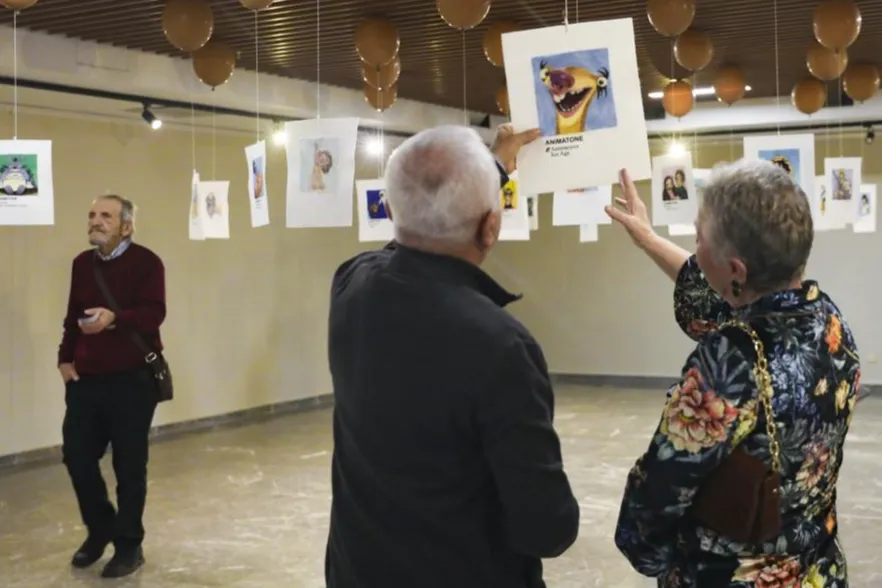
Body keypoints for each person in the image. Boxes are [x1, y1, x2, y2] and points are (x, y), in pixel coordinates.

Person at [325, 124, 580, 588]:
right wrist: (493, 172)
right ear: (492, 226)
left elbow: (407, 239)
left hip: (358, 573)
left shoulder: (351, 285)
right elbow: (547, 527)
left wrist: (494, 166)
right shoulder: (502, 345)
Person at [606, 161, 859, 587]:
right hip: (816, 570)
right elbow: (717, 296)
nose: (694, 244)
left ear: (737, 270)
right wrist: (649, 240)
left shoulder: (728, 361)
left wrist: (656, 558)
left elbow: (660, 494)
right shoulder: (828, 321)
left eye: (699, 236)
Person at [57, 194, 166, 578]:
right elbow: (72, 316)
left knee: (129, 466)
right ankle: (101, 527)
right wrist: (64, 359)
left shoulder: (147, 262)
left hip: (132, 380)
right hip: (86, 379)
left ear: (126, 225)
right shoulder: (81, 265)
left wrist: (114, 319)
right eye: (91, 214)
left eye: (106, 215)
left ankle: (129, 544)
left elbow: (155, 312)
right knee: (77, 455)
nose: (95, 221)